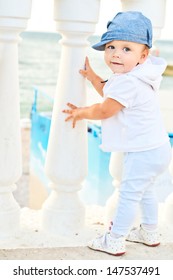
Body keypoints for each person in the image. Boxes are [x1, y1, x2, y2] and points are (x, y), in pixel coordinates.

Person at [62, 11, 172, 256]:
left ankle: (115, 239)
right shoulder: (140, 75)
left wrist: (81, 112)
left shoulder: (128, 82)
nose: (115, 54)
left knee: (129, 195)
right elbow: (111, 92)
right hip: (159, 148)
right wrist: (92, 77)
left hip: (143, 152)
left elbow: (104, 110)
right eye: (111, 47)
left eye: (126, 49)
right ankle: (150, 232)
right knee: (147, 190)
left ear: (143, 56)